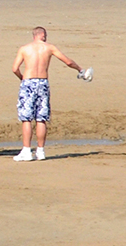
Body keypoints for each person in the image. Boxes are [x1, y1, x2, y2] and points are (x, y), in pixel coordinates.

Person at [10, 26, 91, 161]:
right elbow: (68, 61)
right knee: (41, 117)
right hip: (42, 82)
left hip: (28, 82)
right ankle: (40, 151)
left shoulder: (24, 48)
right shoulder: (49, 47)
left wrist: (22, 78)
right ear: (42, 35)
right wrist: (80, 69)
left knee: (26, 118)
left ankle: (26, 150)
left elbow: (14, 68)